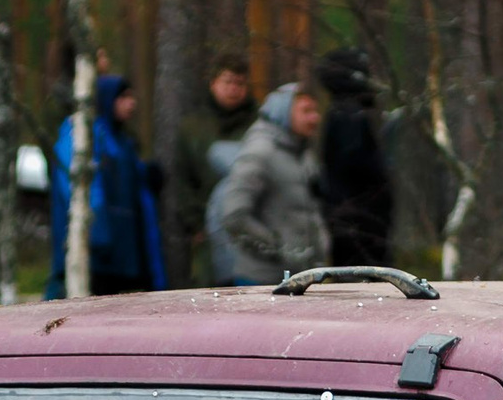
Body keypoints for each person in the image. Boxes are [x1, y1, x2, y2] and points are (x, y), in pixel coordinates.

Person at [46, 74, 164, 297]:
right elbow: (79, 187)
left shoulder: (121, 141)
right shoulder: (83, 134)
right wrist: (95, 235)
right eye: (124, 97)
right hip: (93, 254)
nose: (132, 103)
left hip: (116, 257)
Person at [212, 82, 330, 286]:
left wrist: (322, 243)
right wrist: (278, 248)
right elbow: (234, 215)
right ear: (282, 112)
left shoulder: (302, 154)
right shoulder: (260, 152)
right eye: (306, 111)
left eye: (315, 110)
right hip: (261, 281)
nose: (315, 117)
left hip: (300, 278)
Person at [168, 53, 260, 285]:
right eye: (227, 82)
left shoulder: (259, 127)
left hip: (253, 229)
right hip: (208, 232)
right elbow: (183, 179)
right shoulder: (193, 128)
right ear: (213, 84)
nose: (233, 89)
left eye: (239, 83)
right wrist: (195, 223)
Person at [316, 49, 393, 266]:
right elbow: (356, 164)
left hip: (355, 223)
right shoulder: (348, 117)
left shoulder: (344, 113)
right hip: (359, 227)